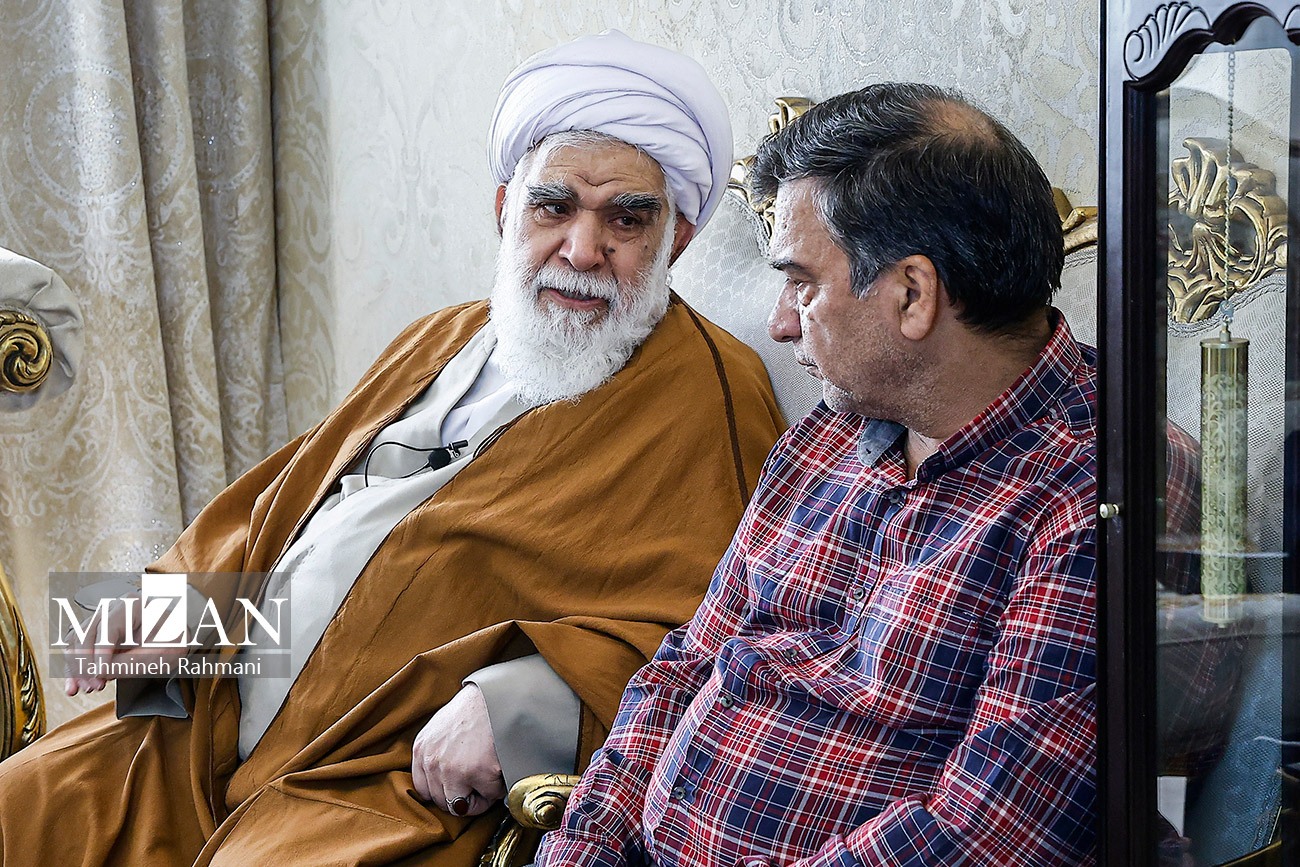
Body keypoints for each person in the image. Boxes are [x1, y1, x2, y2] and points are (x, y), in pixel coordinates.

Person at [0, 31, 784, 867]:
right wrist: (168, 605)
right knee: (20, 803)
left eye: (627, 219)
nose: (583, 250)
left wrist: (523, 702)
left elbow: (727, 632)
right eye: (553, 208)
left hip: (380, 777)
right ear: (504, 210)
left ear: (679, 237)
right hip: (211, 711)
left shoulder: (709, 392)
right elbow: (292, 506)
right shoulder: (444, 335)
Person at [535, 82, 1100, 867]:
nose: (778, 322)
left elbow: (986, 833)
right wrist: (580, 849)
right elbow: (683, 668)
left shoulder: (1087, 499)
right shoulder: (826, 436)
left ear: (912, 294)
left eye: (802, 282)